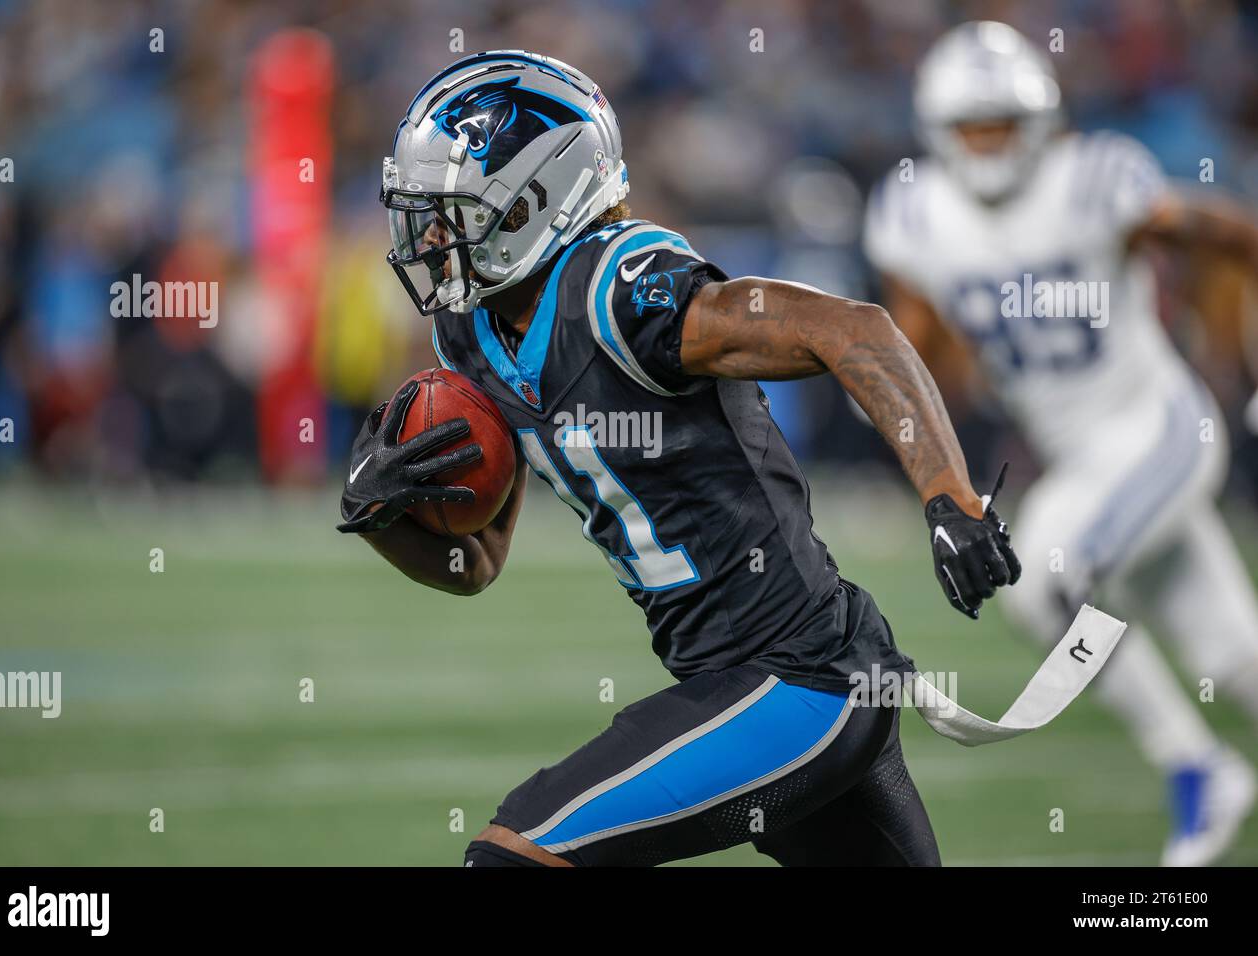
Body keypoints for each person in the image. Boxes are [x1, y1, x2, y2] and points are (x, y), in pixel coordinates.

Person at [338, 50, 1019, 866]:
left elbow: (855, 329)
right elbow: (474, 562)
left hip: (798, 681)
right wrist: (380, 516)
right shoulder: (472, 333)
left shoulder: (623, 288)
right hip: (750, 687)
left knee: (513, 858)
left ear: (533, 201)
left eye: (454, 211)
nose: (431, 236)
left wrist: (949, 497)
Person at [864, 21, 1258, 866]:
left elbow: (1228, 237)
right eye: (972, 125)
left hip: (1160, 427)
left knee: (1042, 580)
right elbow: (911, 347)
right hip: (1084, 460)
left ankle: (1197, 767)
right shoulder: (913, 214)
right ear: (938, 131)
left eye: (1002, 121)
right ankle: (1208, 763)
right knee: (1236, 660)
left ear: (1039, 121)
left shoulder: (1095, 179)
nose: (989, 141)